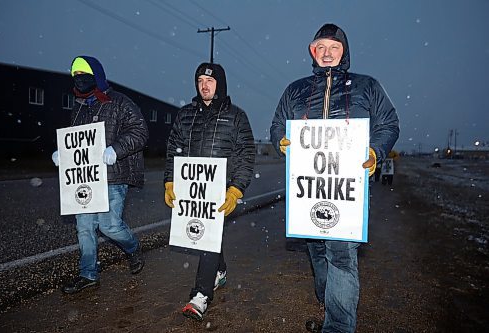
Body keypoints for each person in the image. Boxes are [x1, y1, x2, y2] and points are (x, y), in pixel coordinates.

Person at [270, 24, 399, 332]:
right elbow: (277, 125)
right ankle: (330, 307)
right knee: (316, 252)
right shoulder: (295, 89)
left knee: (340, 255)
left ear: (344, 52)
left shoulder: (366, 86)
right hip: (309, 191)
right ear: (313, 52)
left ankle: (339, 326)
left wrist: (375, 151)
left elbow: (389, 124)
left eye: (334, 48)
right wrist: (281, 141)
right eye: (320, 48)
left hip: (347, 189)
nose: (327, 53)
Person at [163, 62, 255, 321]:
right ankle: (220, 271)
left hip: (221, 190)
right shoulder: (185, 115)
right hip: (193, 191)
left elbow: (246, 155)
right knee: (209, 238)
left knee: (208, 238)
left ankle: (201, 295)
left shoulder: (237, 117)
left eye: (210, 81)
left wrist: (236, 189)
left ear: (220, 84)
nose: (204, 85)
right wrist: (170, 182)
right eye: (200, 80)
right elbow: (174, 149)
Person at [52, 55, 149, 294]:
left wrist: (116, 149)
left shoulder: (119, 102)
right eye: (75, 76)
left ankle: (133, 249)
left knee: (109, 226)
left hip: (112, 176)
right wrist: (62, 154)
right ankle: (88, 274)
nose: (79, 79)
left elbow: (140, 131)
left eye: (84, 74)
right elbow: (76, 142)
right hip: (85, 179)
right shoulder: (79, 107)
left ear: (96, 75)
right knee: (84, 227)